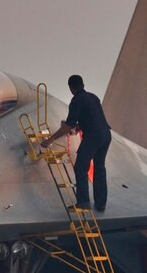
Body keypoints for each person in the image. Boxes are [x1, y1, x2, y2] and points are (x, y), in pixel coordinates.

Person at [43, 75, 112, 212]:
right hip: (106, 134)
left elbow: (68, 125)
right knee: (99, 167)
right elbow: (93, 118)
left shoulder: (76, 101)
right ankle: (101, 203)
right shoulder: (93, 97)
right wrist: (79, 127)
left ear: (71, 88)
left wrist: (50, 140)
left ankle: (83, 202)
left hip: (93, 136)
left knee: (80, 167)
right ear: (83, 84)